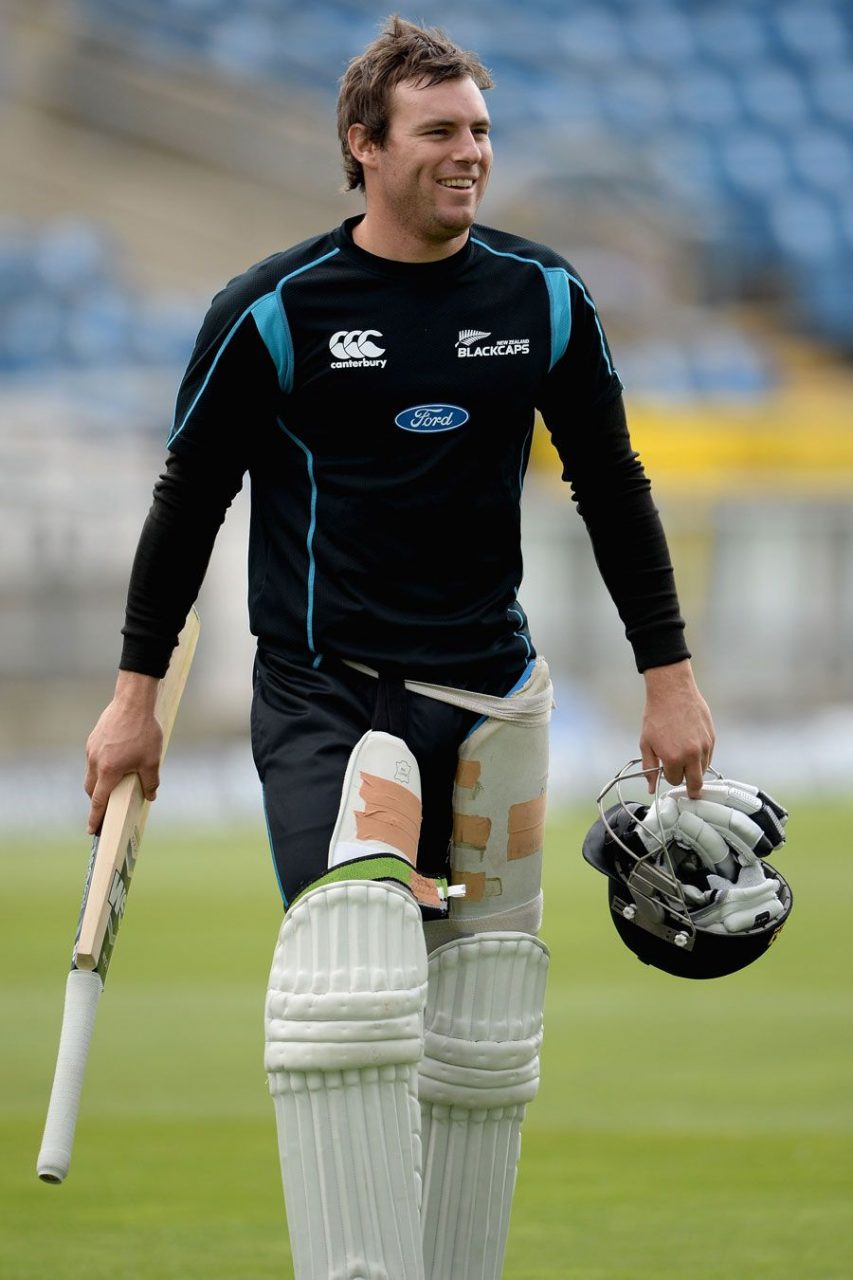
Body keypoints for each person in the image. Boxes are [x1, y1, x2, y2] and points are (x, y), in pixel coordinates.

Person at [84, 16, 714, 1279]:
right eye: (440, 131)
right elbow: (185, 501)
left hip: (490, 696)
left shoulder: (541, 296)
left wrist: (670, 677)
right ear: (364, 148)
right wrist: (133, 698)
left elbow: (612, 483)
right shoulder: (270, 312)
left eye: (480, 128)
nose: (470, 152)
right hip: (327, 693)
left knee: (485, 1019)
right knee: (352, 974)